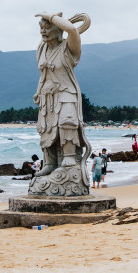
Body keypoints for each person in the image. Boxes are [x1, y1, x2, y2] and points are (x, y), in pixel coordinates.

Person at [32, 12, 93, 187]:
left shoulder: (69, 47)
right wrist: (38, 91)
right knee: (46, 127)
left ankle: (68, 158)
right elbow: (43, 73)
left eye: (47, 27)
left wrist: (51, 17)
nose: (43, 31)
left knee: (67, 122)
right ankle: (50, 163)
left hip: (66, 92)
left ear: (58, 29)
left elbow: (73, 29)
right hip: (47, 94)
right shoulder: (41, 48)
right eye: (41, 28)